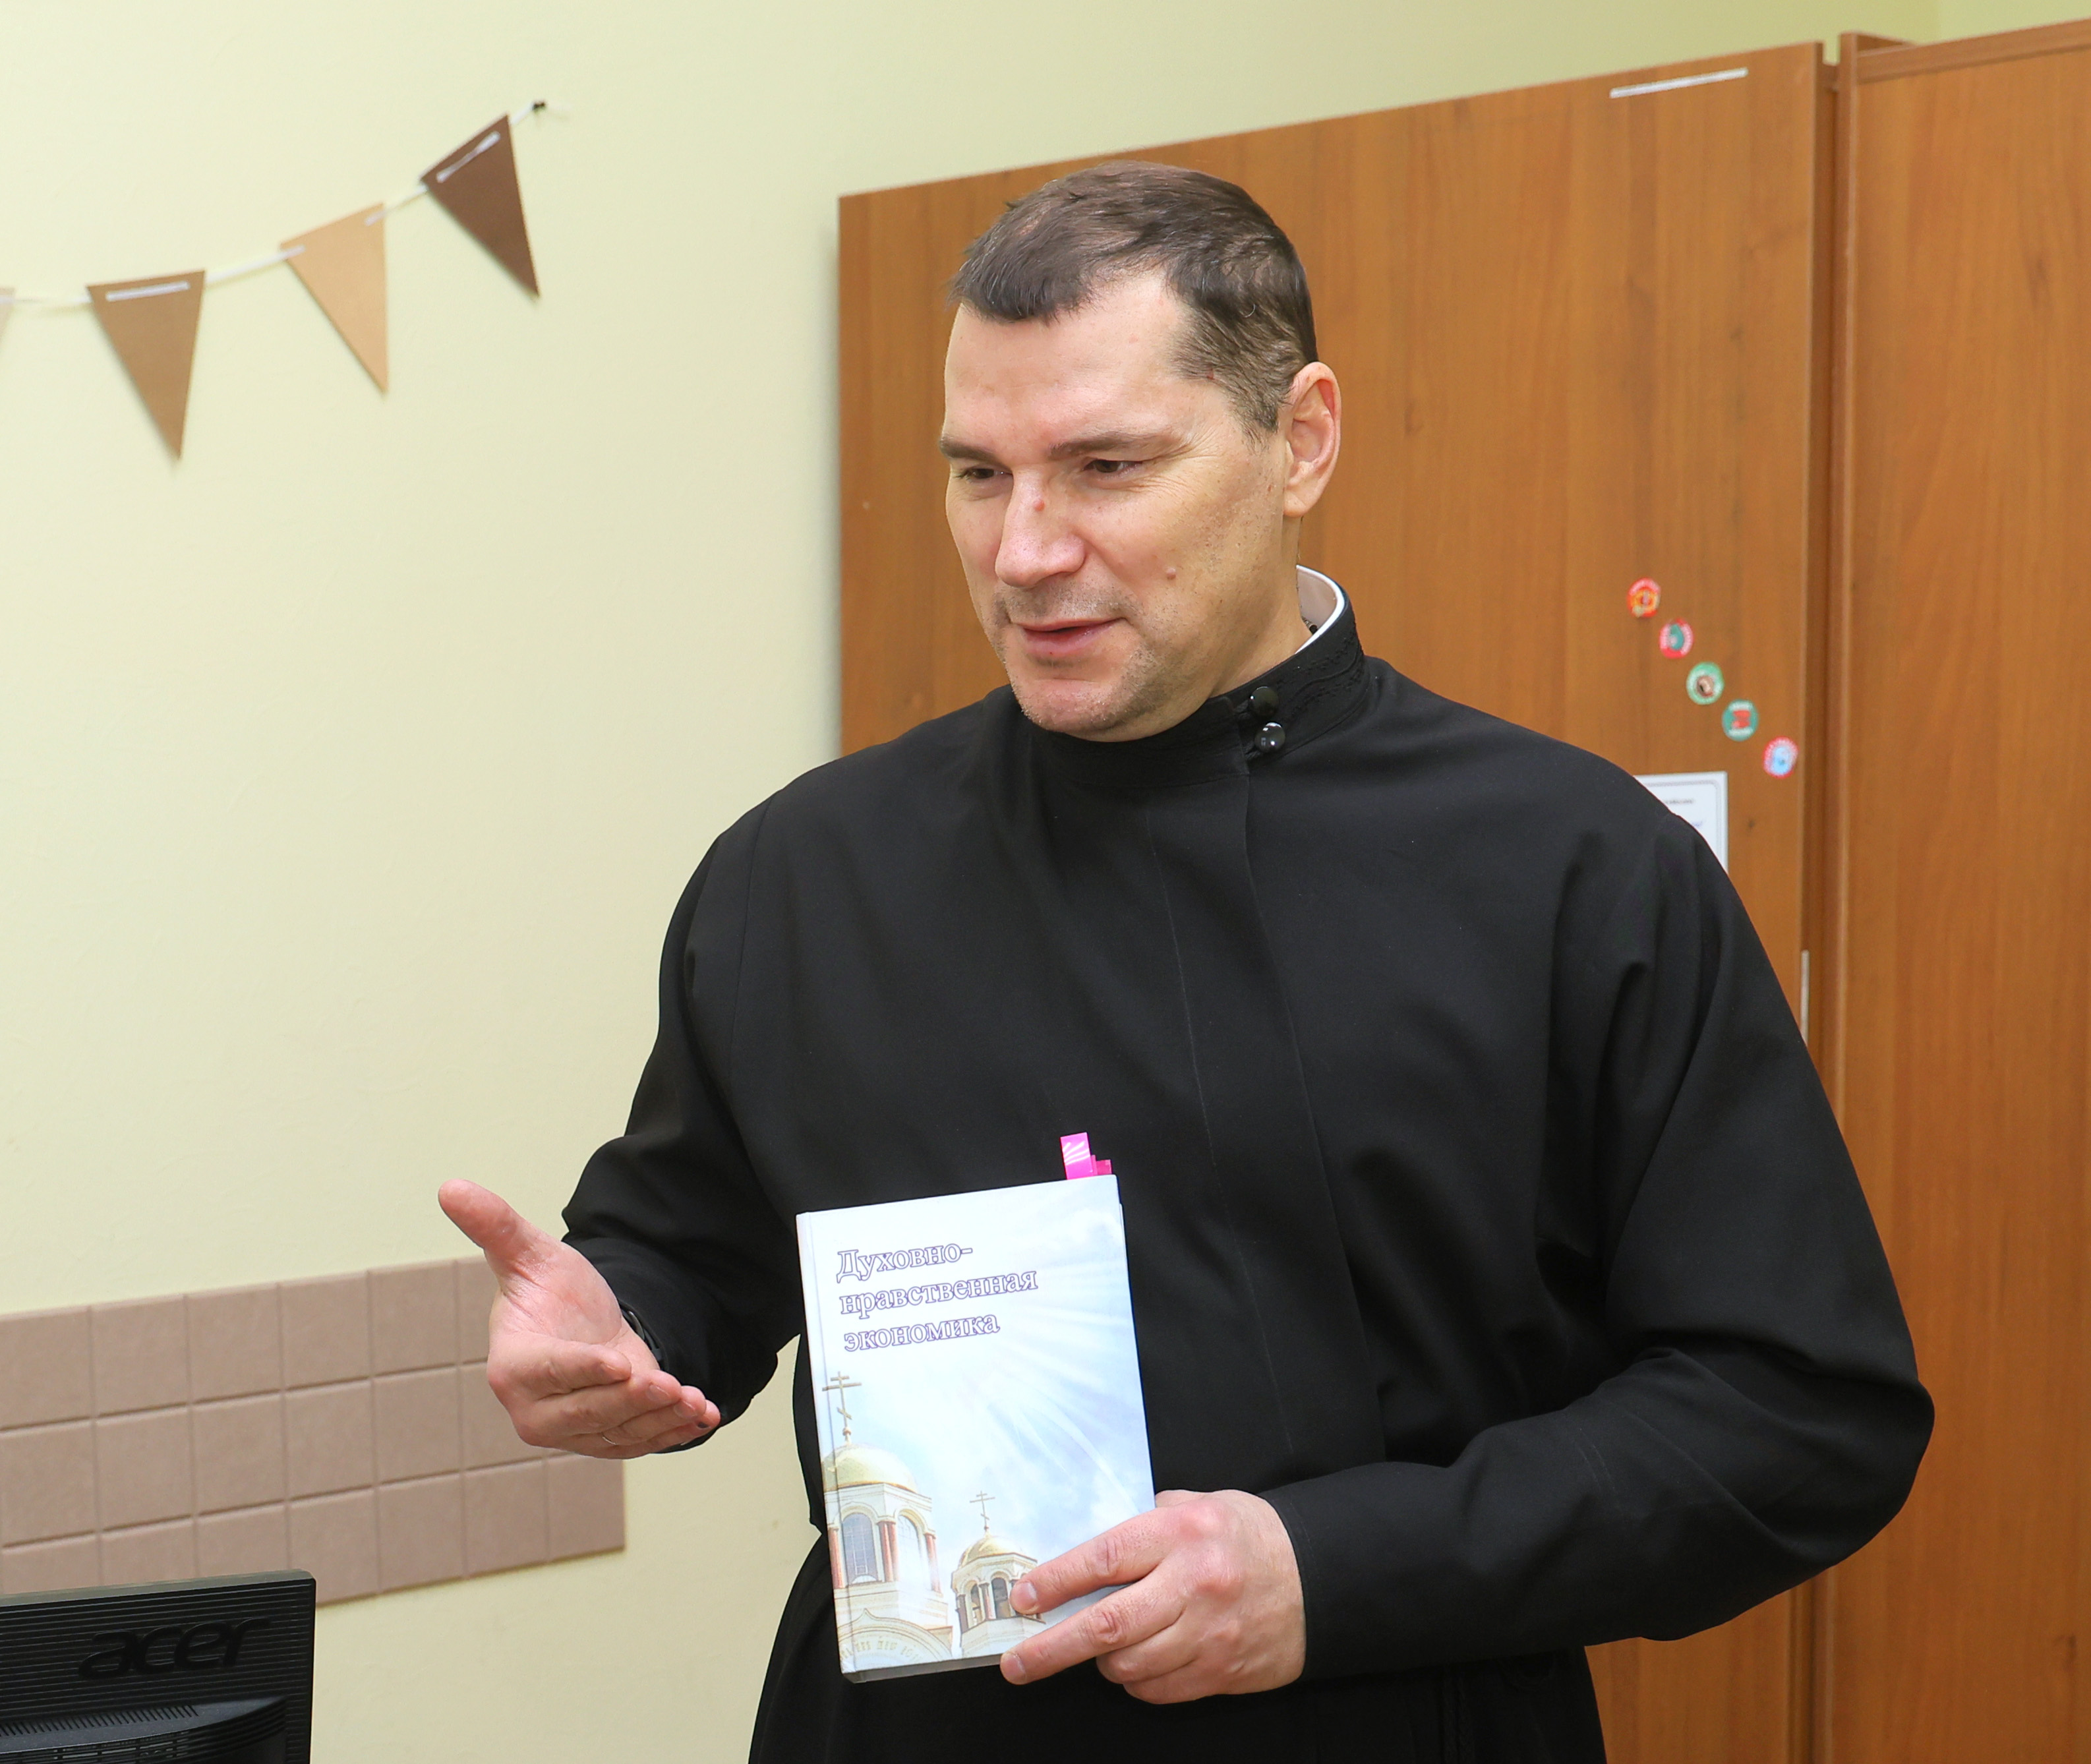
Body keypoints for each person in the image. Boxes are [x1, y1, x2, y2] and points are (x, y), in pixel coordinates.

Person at [440, 162, 1930, 1763]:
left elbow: (1797, 1413)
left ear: (1300, 440)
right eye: (977, 474)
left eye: (1106, 468)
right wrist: (624, 1327)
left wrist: (1332, 1571)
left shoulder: (1572, 867)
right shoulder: (799, 876)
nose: (1023, 551)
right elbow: (693, 1256)